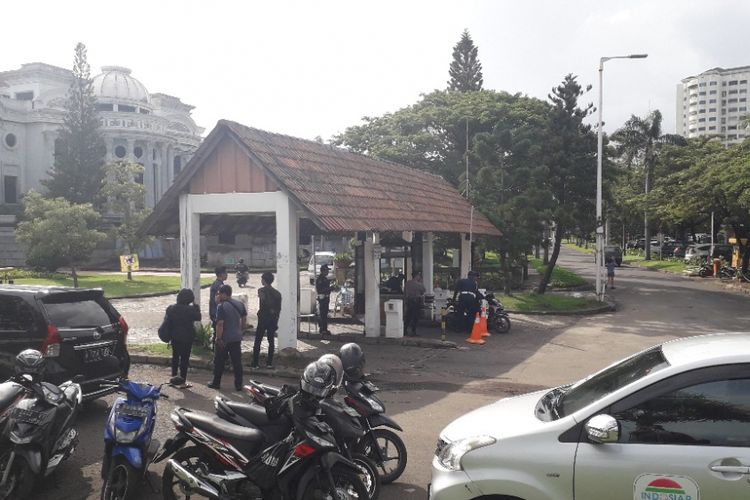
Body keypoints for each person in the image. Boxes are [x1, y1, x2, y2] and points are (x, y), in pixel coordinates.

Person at [208, 284, 247, 391]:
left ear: (224, 294)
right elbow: (244, 319)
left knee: (219, 361)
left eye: (219, 294)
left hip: (224, 338)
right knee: (237, 362)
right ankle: (238, 384)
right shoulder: (240, 304)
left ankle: (216, 382)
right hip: (236, 337)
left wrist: (218, 338)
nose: (218, 296)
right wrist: (242, 330)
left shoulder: (221, 307)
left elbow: (220, 324)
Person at [165, 288, 201, 388]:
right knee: (184, 359)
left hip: (174, 336)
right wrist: (196, 305)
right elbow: (198, 317)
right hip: (187, 337)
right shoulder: (190, 310)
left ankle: (173, 378)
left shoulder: (171, 308)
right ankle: (182, 381)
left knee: (175, 357)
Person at [251, 271, 282, 369]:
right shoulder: (277, 293)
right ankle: (269, 363)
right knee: (271, 341)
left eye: (262, 279)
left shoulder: (261, 291)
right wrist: (275, 317)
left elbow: (264, 302)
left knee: (258, 340)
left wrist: (269, 309)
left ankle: (255, 363)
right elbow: (278, 309)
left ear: (264, 280)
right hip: (272, 319)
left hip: (263, 318)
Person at [209, 266, 228, 343]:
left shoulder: (217, 283)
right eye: (226, 273)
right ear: (221, 274)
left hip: (214, 311)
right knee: (218, 333)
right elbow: (218, 300)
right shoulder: (219, 286)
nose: (227, 275)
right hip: (217, 312)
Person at [403, 271, 426, 336]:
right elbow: (424, 290)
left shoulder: (407, 283)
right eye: (419, 275)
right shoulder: (419, 284)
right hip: (416, 301)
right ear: (416, 276)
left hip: (409, 300)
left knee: (408, 316)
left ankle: (405, 329)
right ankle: (413, 331)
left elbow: (405, 293)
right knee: (415, 317)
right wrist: (421, 282)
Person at [315, 264, 332, 336]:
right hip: (322, 298)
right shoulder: (320, 279)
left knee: (325, 314)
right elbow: (320, 290)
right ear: (323, 271)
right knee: (322, 314)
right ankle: (322, 329)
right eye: (327, 270)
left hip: (326, 298)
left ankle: (324, 329)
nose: (328, 272)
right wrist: (330, 288)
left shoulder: (325, 279)